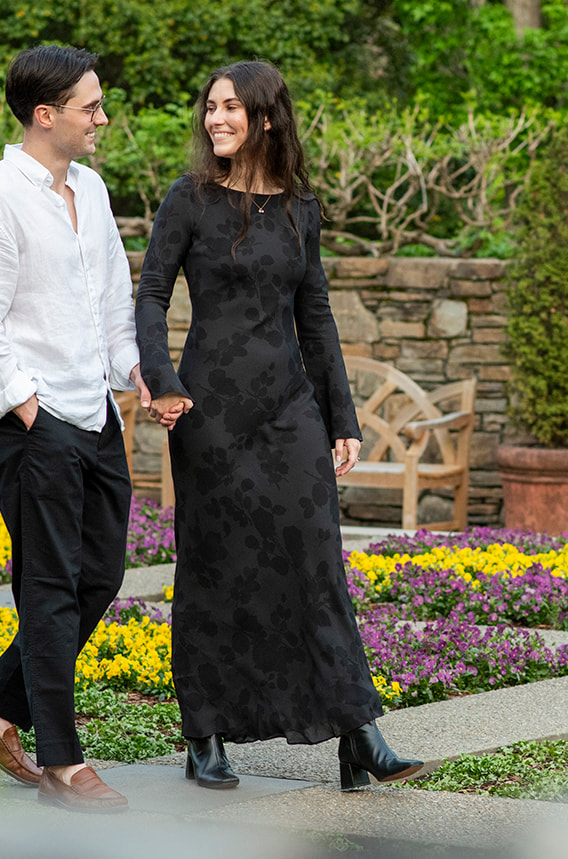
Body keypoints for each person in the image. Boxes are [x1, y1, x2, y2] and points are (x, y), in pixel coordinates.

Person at [135, 60, 422, 791]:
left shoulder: (300, 208)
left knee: (317, 562)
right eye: (210, 107)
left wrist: (341, 415)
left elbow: (315, 315)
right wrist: (162, 379)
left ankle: (359, 732)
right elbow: (151, 294)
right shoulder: (190, 199)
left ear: (265, 117)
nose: (215, 118)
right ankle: (203, 734)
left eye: (231, 107)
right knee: (213, 566)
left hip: (289, 410)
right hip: (209, 414)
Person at [0, 44, 146, 813]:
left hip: (96, 413)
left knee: (101, 575)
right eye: (90, 106)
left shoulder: (90, 190)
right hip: (34, 424)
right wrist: (30, 409)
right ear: (45, 114)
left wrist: (135, 374)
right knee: (51, 586)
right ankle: (63, 765)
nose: (102, 118)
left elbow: (112, 299)